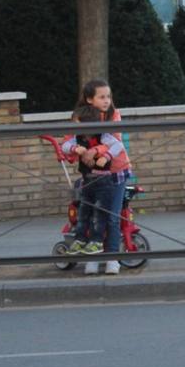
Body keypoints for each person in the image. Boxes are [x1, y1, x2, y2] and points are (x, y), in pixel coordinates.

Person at [61, 80, 131, 275]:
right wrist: (78, 150)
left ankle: (112, 257)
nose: (107, 100)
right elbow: (68, 142)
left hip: (115, 172)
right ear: (89, 99)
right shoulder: (80, 117)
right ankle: (92, 257)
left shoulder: (112, 115)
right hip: (91, 175)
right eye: (102, 97)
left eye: (108, 96)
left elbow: (115, 142)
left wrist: (96, 151)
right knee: (90, 215)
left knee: (112, 217)